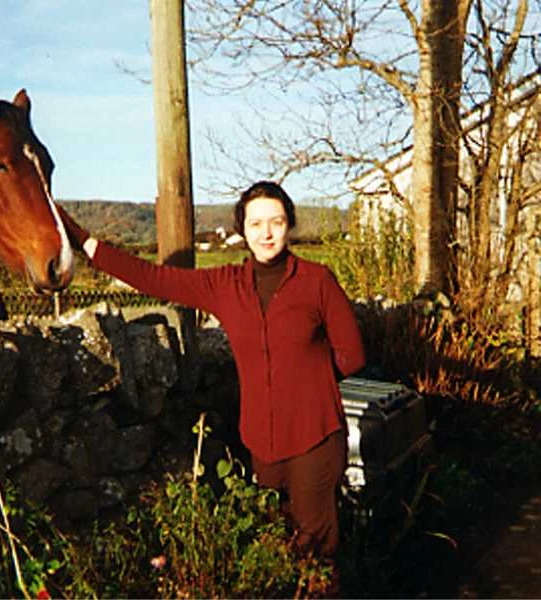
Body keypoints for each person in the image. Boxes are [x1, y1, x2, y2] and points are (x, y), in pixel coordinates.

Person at [57, 180, 365, 566]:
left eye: (276, 222)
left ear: (289, 224)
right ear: (242, 229)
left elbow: (352, 355)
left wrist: (305, 384)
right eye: (256, 224)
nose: (267, 233)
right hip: (261, 439)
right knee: (276, 546)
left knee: (314, 552)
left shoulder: (317, 281)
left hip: (313, 436)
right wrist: (85, 242)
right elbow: (155, 278)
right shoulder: (225, 285)